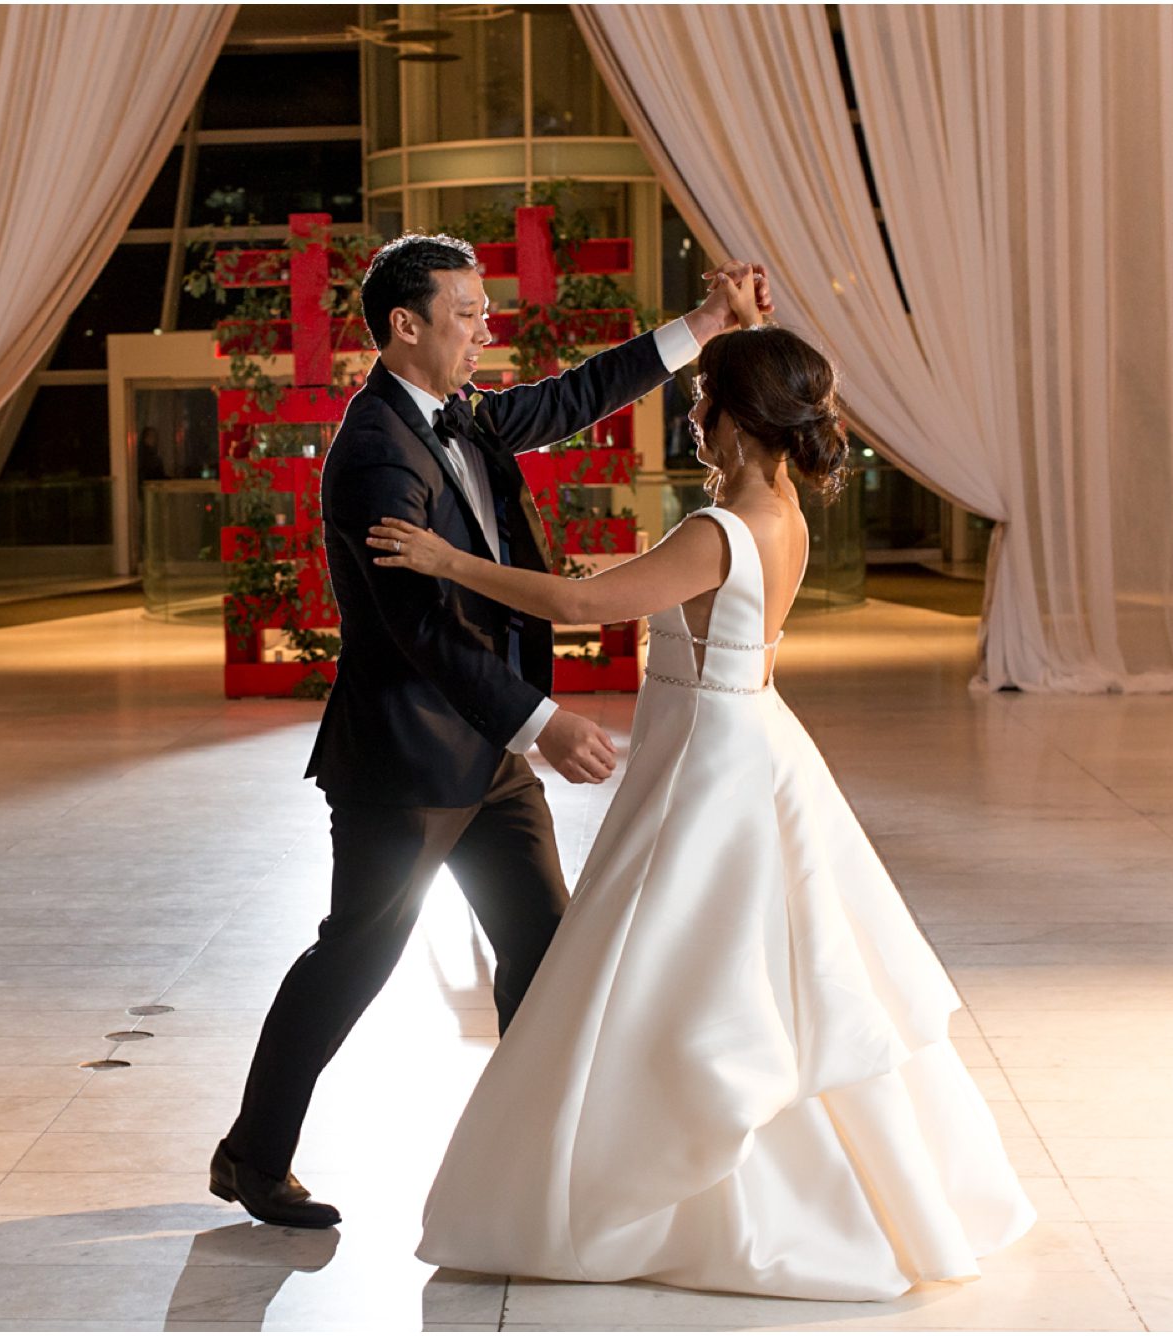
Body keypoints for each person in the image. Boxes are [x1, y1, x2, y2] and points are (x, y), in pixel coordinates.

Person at [374, 284, 1038, 1300]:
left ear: (736, 415)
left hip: (705, 766)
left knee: (682, 970)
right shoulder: (782, 517)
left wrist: (442, 557)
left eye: (702, 402)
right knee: (773, 972)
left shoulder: (717, 525)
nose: (692, 417)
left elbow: (577, 604)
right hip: (749, 738)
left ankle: (677, 1190)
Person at [208, 233, 772, 1228]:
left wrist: (707, 326)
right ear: (405, 325)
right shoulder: (377, 451)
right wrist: (541, 722)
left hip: (486, 755)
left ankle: (537, 1160)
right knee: (355, 957)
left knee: (542, 949)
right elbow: (418, 630)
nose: (485, 329)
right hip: (407, 762)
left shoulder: (454, 413)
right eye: (466, 313)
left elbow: (569, 398)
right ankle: (252, 1158)